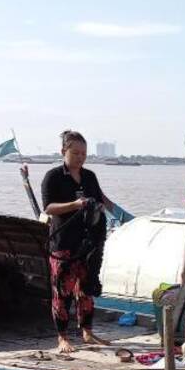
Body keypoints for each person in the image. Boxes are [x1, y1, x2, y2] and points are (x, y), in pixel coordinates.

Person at [41, 130, 117, 353]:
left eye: (84, 153)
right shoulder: (53, 176)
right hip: (63, 242)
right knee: (62, 291)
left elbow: (101, 198)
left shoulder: (90, 176)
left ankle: (87, 331)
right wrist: (74, 205)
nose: (80, 157)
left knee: (86, 289)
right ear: (63, 151)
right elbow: (48, 207)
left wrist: (112, 210)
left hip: (88, 242)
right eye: (75, 153)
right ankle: (62, 337)